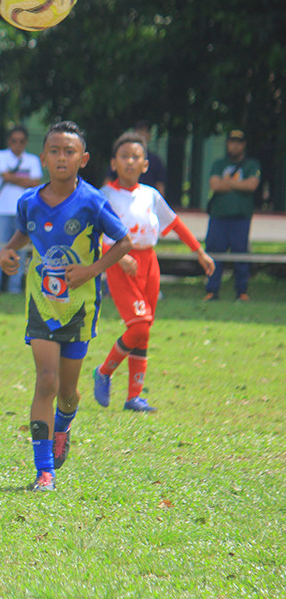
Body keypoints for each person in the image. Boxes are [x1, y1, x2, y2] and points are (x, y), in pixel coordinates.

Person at [0, 121, 132, 492]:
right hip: (41, 304)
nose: (61, 157)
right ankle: (44, 471)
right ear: (43, 157)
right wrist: (8, 252)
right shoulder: (29, 202)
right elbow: (22, 234)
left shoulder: (92, 201)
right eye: (54, 151)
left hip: (79, 308)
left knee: (68, 391)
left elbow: (123, 242)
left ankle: (64, 422)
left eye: (69, 152)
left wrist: (90, 270)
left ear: (82, 159)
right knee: (47, 380)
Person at [93, 131, 215, 413]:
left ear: (145, 164)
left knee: (144, 331)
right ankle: (104, 371)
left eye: (136, 157)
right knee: (138, 326)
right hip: (121, 262)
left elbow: (175, 223)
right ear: (114, 163)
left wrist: (199, 251)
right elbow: (94, 235)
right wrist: (118, 256)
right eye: (124, 156)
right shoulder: (103, 195)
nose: (130, 161)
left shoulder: (151, 195)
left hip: (149, 262)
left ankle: (134, 397)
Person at [204, 129, 261, 301]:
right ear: (227, 144)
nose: (235, 146)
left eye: (239, 143)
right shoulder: (219, 163)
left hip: (241, 217)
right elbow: (215, 185)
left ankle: (242, 292)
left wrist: (227, 182)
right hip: (218, 217)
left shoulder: (252, 164)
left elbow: (252, 185)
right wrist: (238, 184)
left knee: (241, 254)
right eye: (232, 142)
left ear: (244, 145)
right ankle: (212, 291)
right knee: (214, 253)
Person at [0, 126, 43, 294]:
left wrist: (13, 178)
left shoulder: (32, 160)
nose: (17, 144)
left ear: (26, 142)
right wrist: (24, 180)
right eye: (14, 141)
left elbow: (36, 183)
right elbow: (6, 176)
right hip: (1, 211)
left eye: (21, 141)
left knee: (19, 253)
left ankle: (14, 289)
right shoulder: (1, 156)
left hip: (23, 213)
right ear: (9, 142)